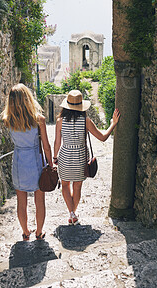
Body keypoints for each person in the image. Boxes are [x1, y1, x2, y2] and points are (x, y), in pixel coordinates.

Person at [54, 89, 120, 225]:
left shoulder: (60, 121)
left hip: (65, 156)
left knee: (65, 185)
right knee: (77, 186)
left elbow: (57, 142)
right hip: (80, 157)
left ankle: (71, 213)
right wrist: (113, 124)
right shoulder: (86, 121)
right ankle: (73, 214)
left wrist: (55, 158)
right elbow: (102, 137)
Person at [1, 83, 52, 240]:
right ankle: (39, 232)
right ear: (28, 98)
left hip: (19, 161)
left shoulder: (7, 120)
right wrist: (51, 164)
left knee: (21, 201)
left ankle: (25, 232)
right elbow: (46, 145)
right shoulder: (39, 120)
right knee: (39, 200)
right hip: (36, 160)